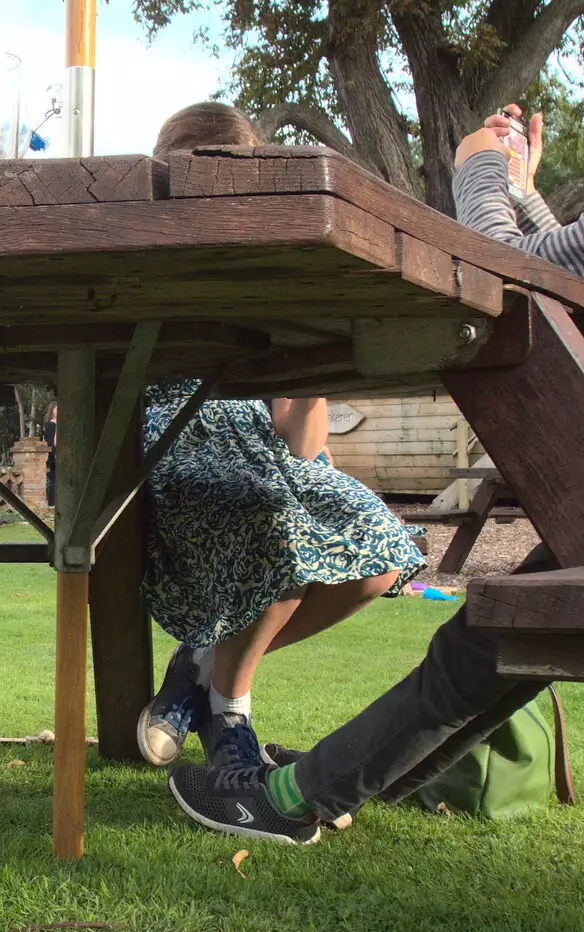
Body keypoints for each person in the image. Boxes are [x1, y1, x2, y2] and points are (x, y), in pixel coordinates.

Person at [168, 0, 584, 844]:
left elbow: (520, 278)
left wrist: (476, 174)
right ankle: (357, 773)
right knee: (498, 640)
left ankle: (294, 798)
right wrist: (522, 192)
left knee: (490, 638)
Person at [135, 101, 426, 770]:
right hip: (175, 437)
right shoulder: (147, 263)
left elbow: (300, 442)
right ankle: (229, 710)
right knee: (283, 533)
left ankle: (199, 667)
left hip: (258, 443)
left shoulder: (267, 269)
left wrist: (307, 357)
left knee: (380, 553)